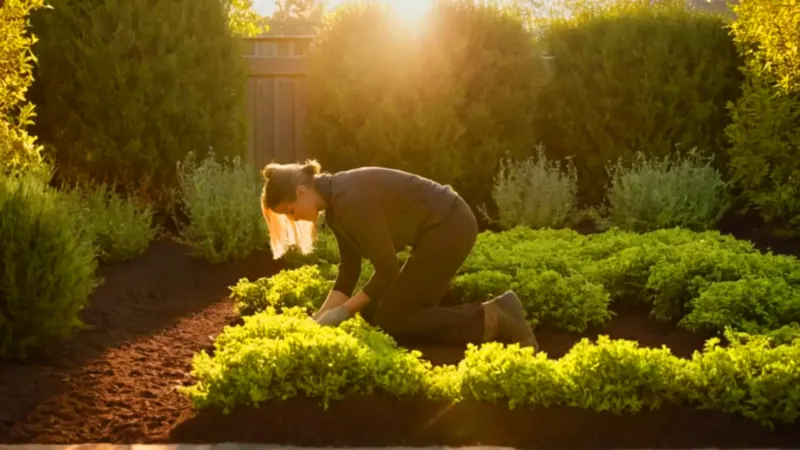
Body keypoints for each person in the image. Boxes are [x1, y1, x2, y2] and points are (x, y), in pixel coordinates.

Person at [260, 160, 538, 349]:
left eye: (291, 211)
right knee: (377, 311)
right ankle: (475, 313)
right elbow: (349, 270)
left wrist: (343, 311)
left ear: (301, 191)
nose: (294, 220)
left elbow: (388, 268)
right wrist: (319, 318)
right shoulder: (334, 209)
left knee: (392, 319)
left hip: (450, 227)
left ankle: (496, 314)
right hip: (437, 233)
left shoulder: (349, 201)